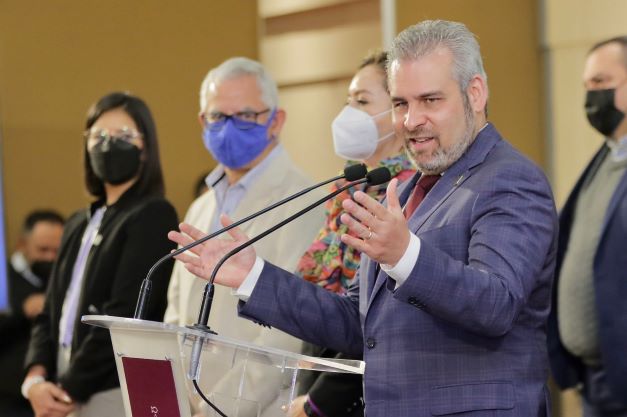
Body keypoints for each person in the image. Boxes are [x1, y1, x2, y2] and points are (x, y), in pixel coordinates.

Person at [170, 20, 558, 417]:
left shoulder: (511, 179)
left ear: (474, 93)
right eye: (401, 104)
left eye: (430, 100)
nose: (411, 120)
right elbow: (355, 324)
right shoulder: (404, 193)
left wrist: (406, 255)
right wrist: (253, 275)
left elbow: (496, 304)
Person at [163, 57, 324, 417]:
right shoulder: (200, 206)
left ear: (275, 121)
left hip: (252, 407)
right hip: (187, 404)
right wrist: (179, 398)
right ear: (202, 121)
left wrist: (217, 408)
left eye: (246, 115)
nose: (229, 127)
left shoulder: (304, 200)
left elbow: (286, 331)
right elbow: (176, 310)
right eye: (218, 117)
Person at [22, 92, 179, 417]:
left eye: (124, 136)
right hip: (61, 382)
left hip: (111, 388)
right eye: (99, 136)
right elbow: (49, 311)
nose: (109, 145)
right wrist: (35, 378)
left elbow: (124, 316)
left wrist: (65, 391)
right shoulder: (78, 222)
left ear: (145, 147)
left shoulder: (153, 214)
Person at [291, 50, 415, 417]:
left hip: (369, 390)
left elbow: (380, 313)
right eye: (348, 101)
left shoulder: (409, 192)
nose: (348, 113)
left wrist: (318, 402)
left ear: (397, 110)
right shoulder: (349, 187)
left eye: (362, 101)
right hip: (321, 370)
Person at [547, 35, 627, 417]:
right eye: (587, 85)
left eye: (601, 82)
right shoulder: (605, 159)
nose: (591, 96)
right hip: (593, 380)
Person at [0, 210, 64, 417]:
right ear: (22, 244)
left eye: (57, 251)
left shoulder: (64, 281)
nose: (50, 257)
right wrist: (22, 311)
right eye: (43, 249)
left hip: (50, 398)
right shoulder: (4, 280)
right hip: (8, 400)